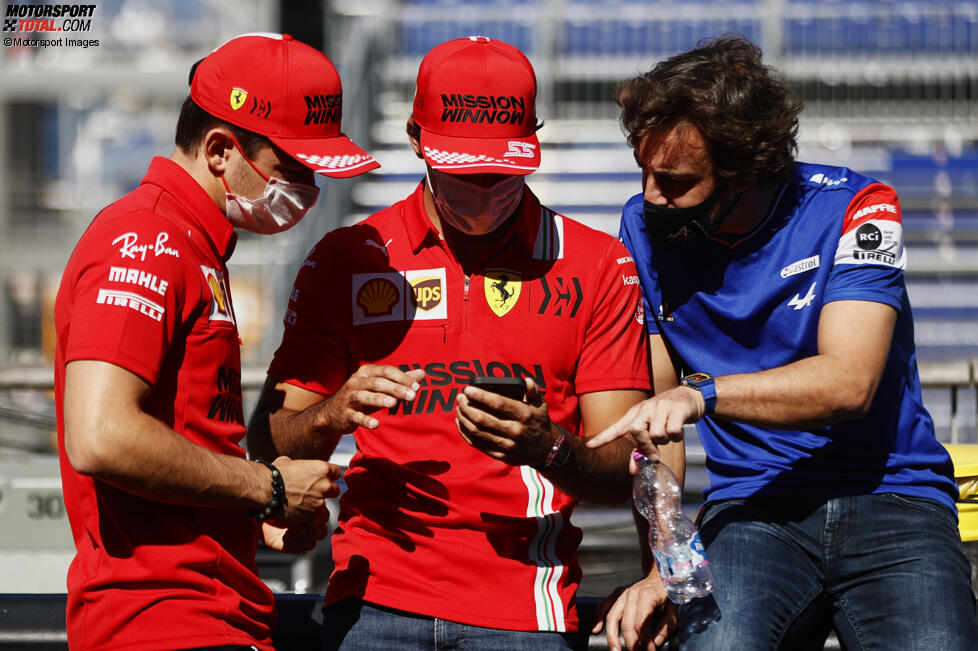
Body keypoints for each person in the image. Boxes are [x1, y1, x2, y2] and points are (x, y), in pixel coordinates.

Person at [247, 36, 650, 649]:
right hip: (372, 598)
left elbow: (627, 472)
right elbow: (268, 435)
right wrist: (334, 412)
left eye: (502, 172)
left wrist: (549, 449)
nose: (485, 191)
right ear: (414, 140)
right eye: (463, 172)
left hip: (525, 608)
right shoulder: (349, 257)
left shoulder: (597, 265)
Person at [588, 35, 978, 650]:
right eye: (645, 171)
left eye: (676, 180)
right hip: (751, 509)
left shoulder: (858, 207)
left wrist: (703, 395)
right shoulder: (643, 224)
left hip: (892, 498)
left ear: (743, 170)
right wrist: (667, 567)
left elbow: (849, 384)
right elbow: (655, 423)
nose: (652, 195)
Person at [54, 33, 381, 650]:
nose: (309, 190)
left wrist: (253, 514)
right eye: (294, 169)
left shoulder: (189, 243)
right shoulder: (147, 238)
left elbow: (181, 442)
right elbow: (99, 434)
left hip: (203, 613)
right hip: (160, 622)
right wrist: (269, 487)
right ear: (220, 151)